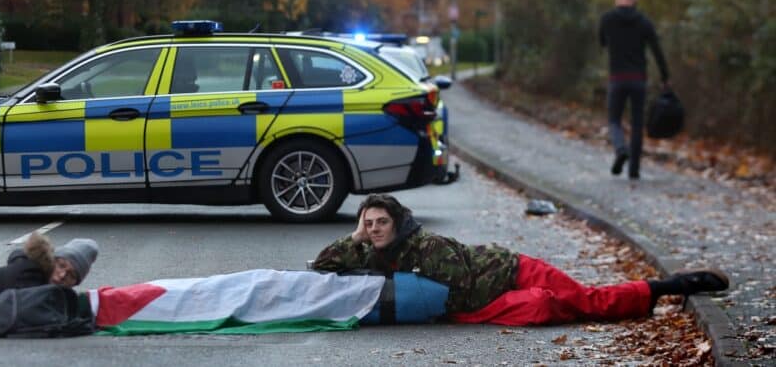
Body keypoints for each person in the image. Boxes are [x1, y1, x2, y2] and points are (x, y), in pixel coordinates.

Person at [312, 194, 728, 326]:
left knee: (588, 302)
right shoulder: (368, 244)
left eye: (382, 222)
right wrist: (355, 238)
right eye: (370, 224)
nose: (376, 229)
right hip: (493, 297)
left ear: (397, 222)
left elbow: (461, 291)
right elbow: (323, 265)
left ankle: (672, 286)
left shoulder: (427, 246)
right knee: (550, 309)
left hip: (515, 272)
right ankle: (650, 293)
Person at [598, 0, 670, 179]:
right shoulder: (644, 22)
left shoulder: (608, 19)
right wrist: (665, 77)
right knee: (637, 124)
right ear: (634, 0)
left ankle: (621, 149)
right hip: (638, 79)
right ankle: (634, 170)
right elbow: (657, 50)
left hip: (617, 78)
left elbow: (602, 42)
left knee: (614, 120)